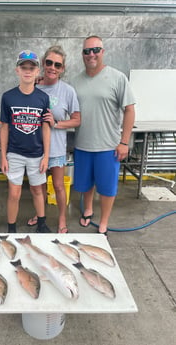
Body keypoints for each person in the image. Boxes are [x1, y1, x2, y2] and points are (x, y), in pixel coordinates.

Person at [71, 35, 135, 236]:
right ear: (82, 54)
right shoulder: (75, 81)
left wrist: (124, 142)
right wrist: (42, 82)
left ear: (103, 52)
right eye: (86, 51)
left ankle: (104, 221)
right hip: (82, 145)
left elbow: (130, 110)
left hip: (108, 147)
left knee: (107, 188)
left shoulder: (117, 78)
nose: (91, 54)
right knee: (85, 184)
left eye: (95, 50)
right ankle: (88, 209)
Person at [26, 45, 80, 233]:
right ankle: (40, 215)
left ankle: (62, 219)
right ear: (43, 63)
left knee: (58, 186)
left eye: (57, 65)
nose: (52, 68)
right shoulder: (32, 86)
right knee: (37, 187)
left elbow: (77, 120)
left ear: (62, 69)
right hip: (35, 149)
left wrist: (56, 123)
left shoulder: (67, 91)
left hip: (56, 148)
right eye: (49, 63)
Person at [0, 50, 51, 233]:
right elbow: (4, 127)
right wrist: (3, 156)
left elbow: (46, 127)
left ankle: (42, 224)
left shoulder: (43, 98)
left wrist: (46, 156)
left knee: (38, 190)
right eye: (24, 67)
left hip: (37, 153)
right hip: (15, 153)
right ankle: (11, 229)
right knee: (14, 193)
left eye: (32, 68)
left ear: (37, 71)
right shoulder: (8, 97)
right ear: (17, 70)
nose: (28, 71)